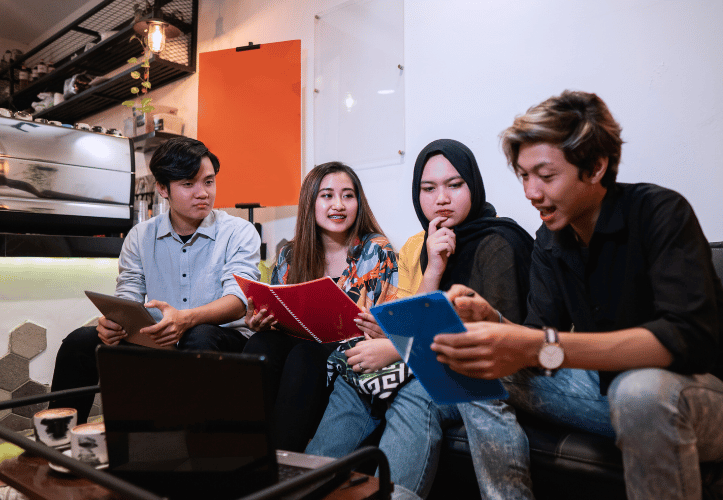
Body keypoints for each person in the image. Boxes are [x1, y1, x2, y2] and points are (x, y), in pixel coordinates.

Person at [431, 90, 723, 500]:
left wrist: (540, 344)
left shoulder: (660, 212)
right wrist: (493, 323)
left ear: (596, 166)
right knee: (477, 364)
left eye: (545, 176)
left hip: (716, 397)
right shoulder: (550, 240)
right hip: (611, 389)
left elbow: (685, 339)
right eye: (523, 176)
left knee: (638, 392)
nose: (530, 192)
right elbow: (540, 348)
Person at [305, 139, 534, 498]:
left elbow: (494, 338)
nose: (440, 198)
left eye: (454, 185)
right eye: (428, 189)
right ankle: (303, 485)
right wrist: (431, 272)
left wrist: (397, 348)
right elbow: (412, 316)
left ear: (472, 185)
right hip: (425, 355)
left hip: (479, 367)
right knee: (353, 370)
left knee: (419, 390)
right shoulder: (419, 245)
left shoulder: (499, 242)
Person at [50, 137, 262, 423]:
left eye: (209, 182)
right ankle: (58, 441)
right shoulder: (140, 236)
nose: (203, 193)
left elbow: (239, 301)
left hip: (223, 342)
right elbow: (128, 293)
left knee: (200, 335)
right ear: (163, 188)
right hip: (157, 342)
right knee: (81, 342)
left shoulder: (239, 231)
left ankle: (197, 447)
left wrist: (185, 319)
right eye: (188, 184)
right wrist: (115, 321)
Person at [242, 161, 398, 452]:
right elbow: (281, 314)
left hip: (347, 358)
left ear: (358, 202)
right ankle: (243, 450)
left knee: (305, 355)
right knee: (262, 344)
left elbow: (384, 326)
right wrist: (261, 320)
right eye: (327, 195)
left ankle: (280, 462)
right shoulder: (291, 254)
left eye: (348, 195)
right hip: (298, 346)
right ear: (310, 203)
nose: (338, 205)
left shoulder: (376, 250)